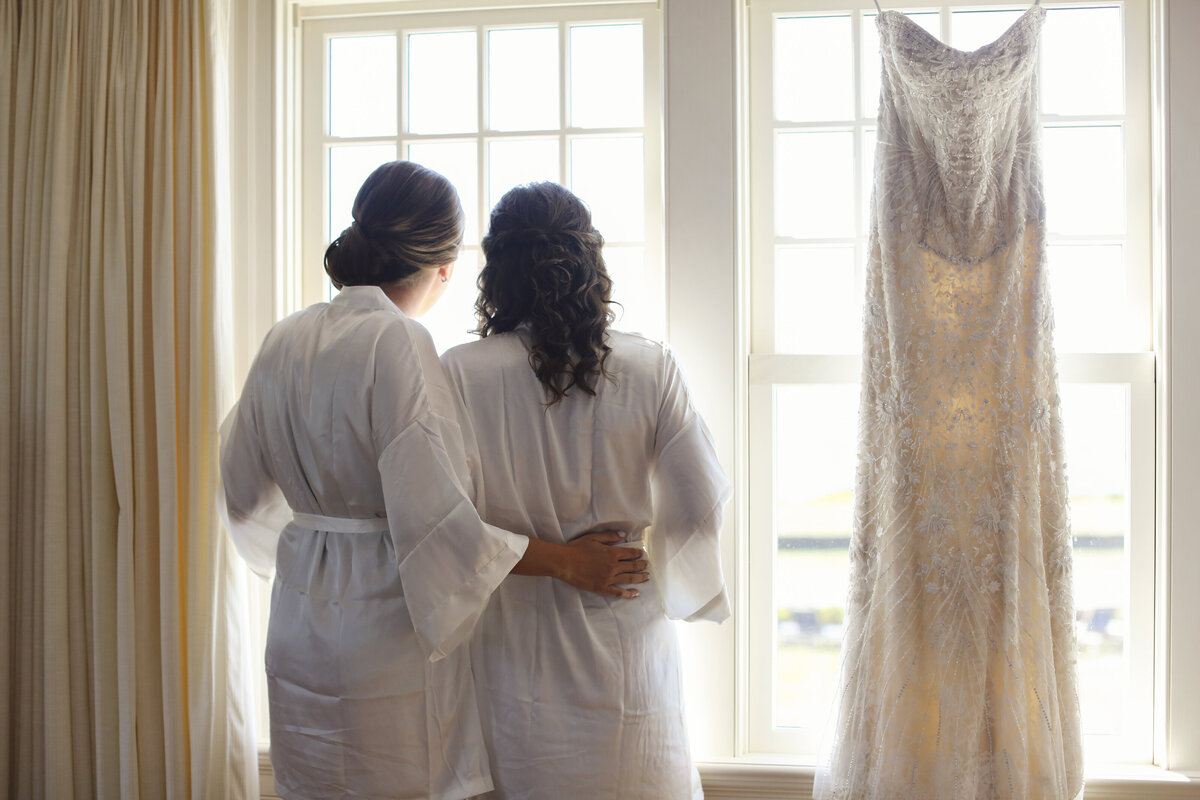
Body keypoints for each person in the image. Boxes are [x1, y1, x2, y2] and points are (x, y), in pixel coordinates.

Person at [219, 162, 648, 800]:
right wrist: (566, 562)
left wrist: (322, 533)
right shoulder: (399, 343)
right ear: (446, 264)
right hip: (382, 636)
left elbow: (244, 491)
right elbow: (440, 524)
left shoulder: (284, 338)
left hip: (299, 620)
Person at [441, 182, 732, 800]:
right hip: (625, 634)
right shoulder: (652, 366)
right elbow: (700, 506)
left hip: (514, 645)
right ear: (590, 262)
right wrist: (657, 565)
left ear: (497, 271)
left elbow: (445, 528)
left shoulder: (460, 372)